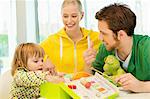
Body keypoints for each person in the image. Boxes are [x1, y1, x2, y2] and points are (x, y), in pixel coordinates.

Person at [84, 3, 150, 92]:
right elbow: (91, 78)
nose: (100, 38)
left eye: (104, 33)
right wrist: (87, 65)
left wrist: (141, 86)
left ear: (120, 34)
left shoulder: (146, 48)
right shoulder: (105, 48)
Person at [40, 0, 101, 74]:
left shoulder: (96, 37)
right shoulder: (51, 41)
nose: (69, 21)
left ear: (81, 15)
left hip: (87, 84)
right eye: (65, 16)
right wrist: (45, 61)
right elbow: (29, 57)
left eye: (74, 16)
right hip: (61, 84)